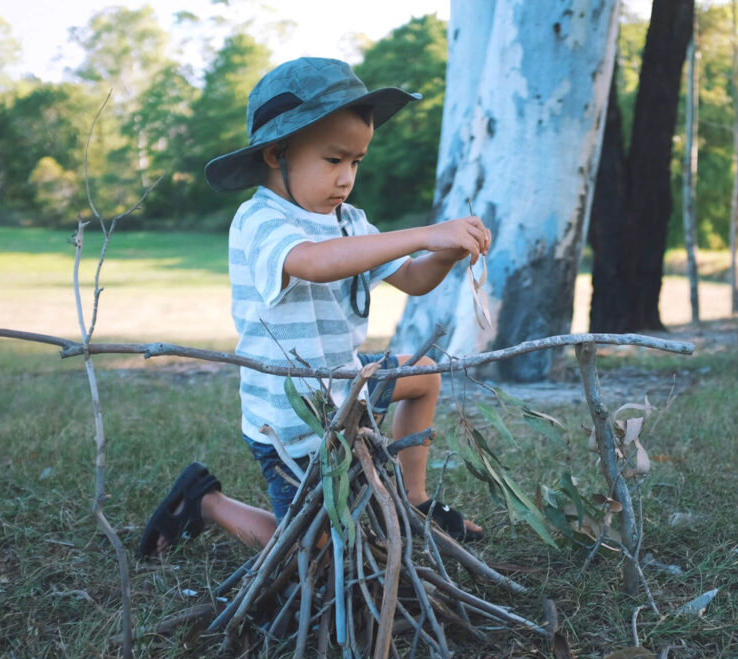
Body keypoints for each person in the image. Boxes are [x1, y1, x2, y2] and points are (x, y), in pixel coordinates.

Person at [138, 58, 488, 560]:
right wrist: (422, 232)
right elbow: (312, 263)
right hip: (290, 420)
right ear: (278, 153)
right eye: (333, 160)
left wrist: (447, 253)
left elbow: (413, 279)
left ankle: (414, 502)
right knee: (315, 554)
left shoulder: (350, 222)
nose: (347, 178)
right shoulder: (261, 219)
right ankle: (207, 503)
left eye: (357, 163)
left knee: (424, 375)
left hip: (347, 388)